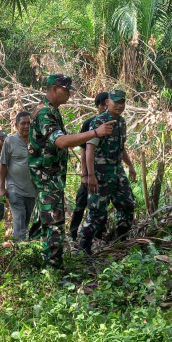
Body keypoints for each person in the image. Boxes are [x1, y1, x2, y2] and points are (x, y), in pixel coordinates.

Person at [29, 74, 115, 269]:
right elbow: (61, 141)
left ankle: (34, 264)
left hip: (50, 178)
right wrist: (95, 133)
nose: (69, 94)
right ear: (53, 89)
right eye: (65, 90)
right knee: (54, 225)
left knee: (41, 222)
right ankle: (54, 271)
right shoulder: (44, 113)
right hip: (47, 178)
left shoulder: (53, 111)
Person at [78, 89, 137, 256]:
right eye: (116, 102)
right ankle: (84, 247)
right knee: (97, 211)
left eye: (122, 102)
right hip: (100, 172)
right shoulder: (99, 122)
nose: (119, 105)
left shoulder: (122, 122)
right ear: (107, 103)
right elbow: (89, 149)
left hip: (117, 170)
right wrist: (89, 175)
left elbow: (121, 147)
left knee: (127, 204)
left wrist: (130, 166)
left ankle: (121, 240)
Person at [69, 92, 110, 240]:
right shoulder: (90, 124)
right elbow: (84, 150)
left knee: (101, 207)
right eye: (102, 105)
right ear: (98, 106)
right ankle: (73, 234)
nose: (105, 108)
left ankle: (97, 236)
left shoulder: (113, 124)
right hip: (90, 174)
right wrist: (85, 175)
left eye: (107, 105)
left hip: (105, 175)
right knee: (81, 203)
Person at [0, 111, 36, 240]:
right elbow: (3, 165)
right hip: (14, 188)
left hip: (32, 190)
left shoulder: (36, 140)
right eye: (23, 123)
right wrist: (2, 187)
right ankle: (18, 251)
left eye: (29, 123)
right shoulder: (10, 141)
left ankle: (20, 249)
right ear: (16, 125)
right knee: (19, 219)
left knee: (25, 222)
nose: (26, 126)